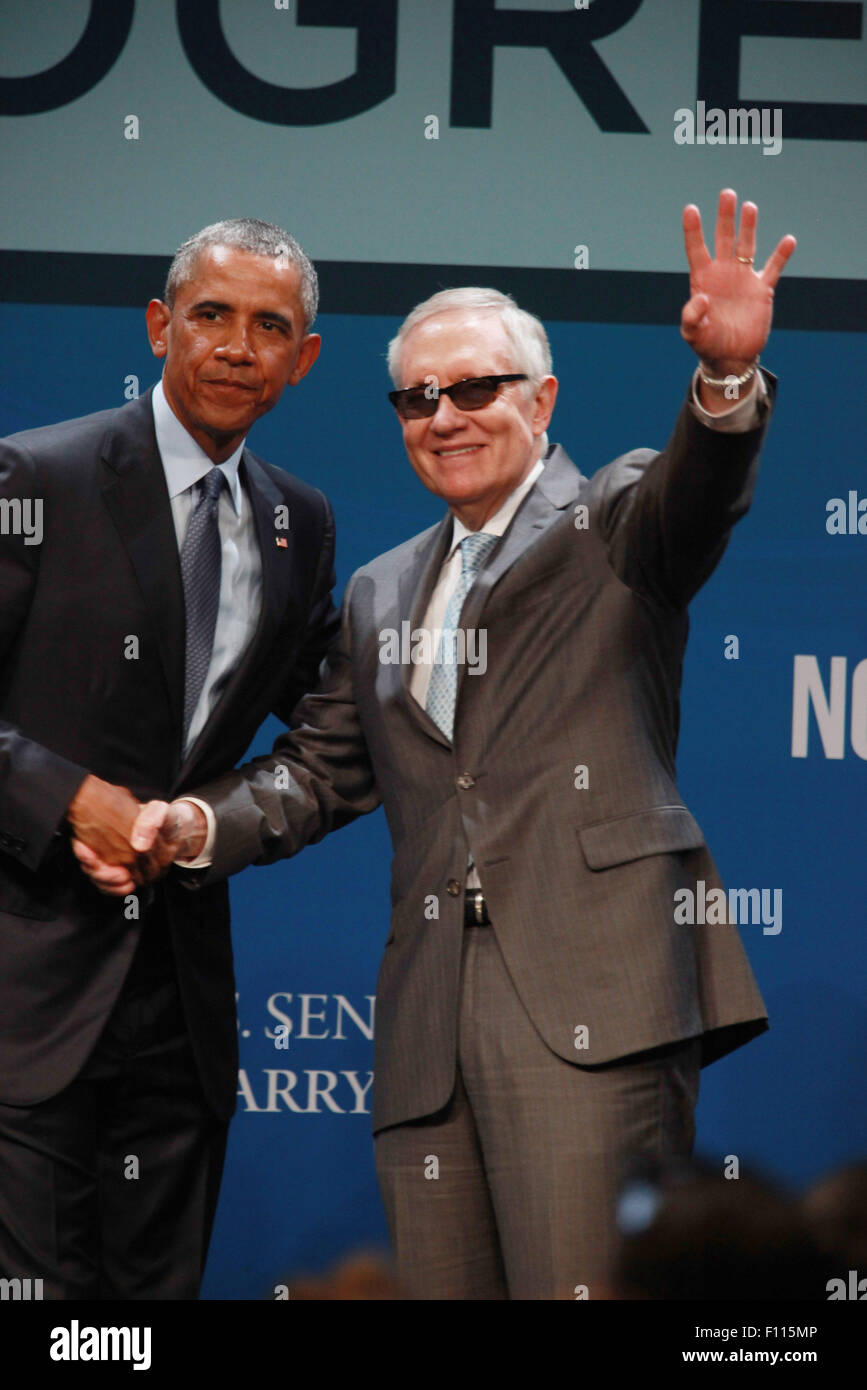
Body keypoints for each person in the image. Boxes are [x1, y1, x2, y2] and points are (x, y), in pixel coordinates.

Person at [80, 190, 796, 1299]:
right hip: (427, 1035)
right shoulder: (380, 589)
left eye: (476, 389)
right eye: (418, 398)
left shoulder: (613, 524)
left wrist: (725, 385)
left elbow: (695, 499)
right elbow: (322, 771)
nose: (445, 415)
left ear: (544, 397)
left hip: (589, 1011)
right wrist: (196, 823)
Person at [0, 218, 337, 1298]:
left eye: (270, 326)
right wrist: (66, 800)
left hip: (179, 1004)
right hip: (27, 985)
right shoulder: (36, 476)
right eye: (212, 316)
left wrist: (206, 824)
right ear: (159, 326)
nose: (239, 346)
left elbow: (328, 723)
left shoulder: (300, 523)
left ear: (304, 358)